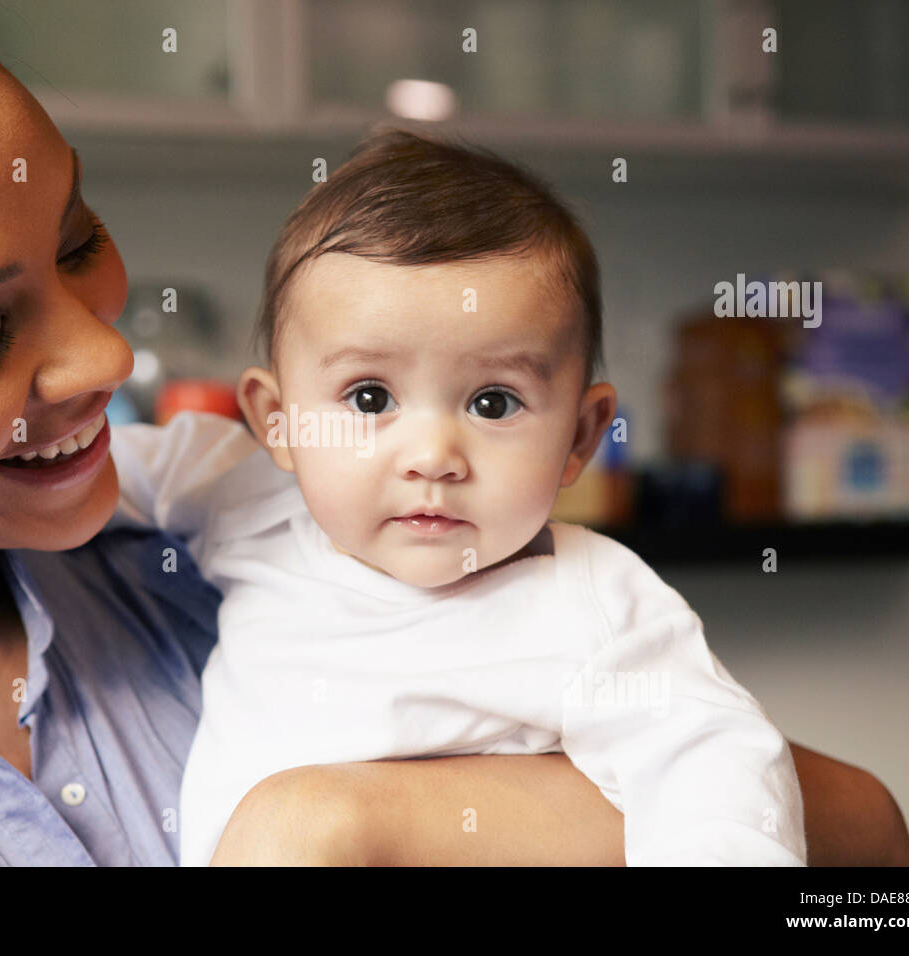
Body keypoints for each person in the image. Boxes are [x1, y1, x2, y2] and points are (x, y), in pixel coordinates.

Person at [0, 0, 909, 866]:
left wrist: (333, 828)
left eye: (77, 243)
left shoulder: (213, 541)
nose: (107, 355)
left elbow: (857, 830)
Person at [109, 132, 803, 866]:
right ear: (276, 422)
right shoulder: (247, 505)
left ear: (580, 433)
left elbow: (718, 776)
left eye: (494, 402)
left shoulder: (591, 601)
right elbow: (102, 465)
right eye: (370, 396)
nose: (434, 456)